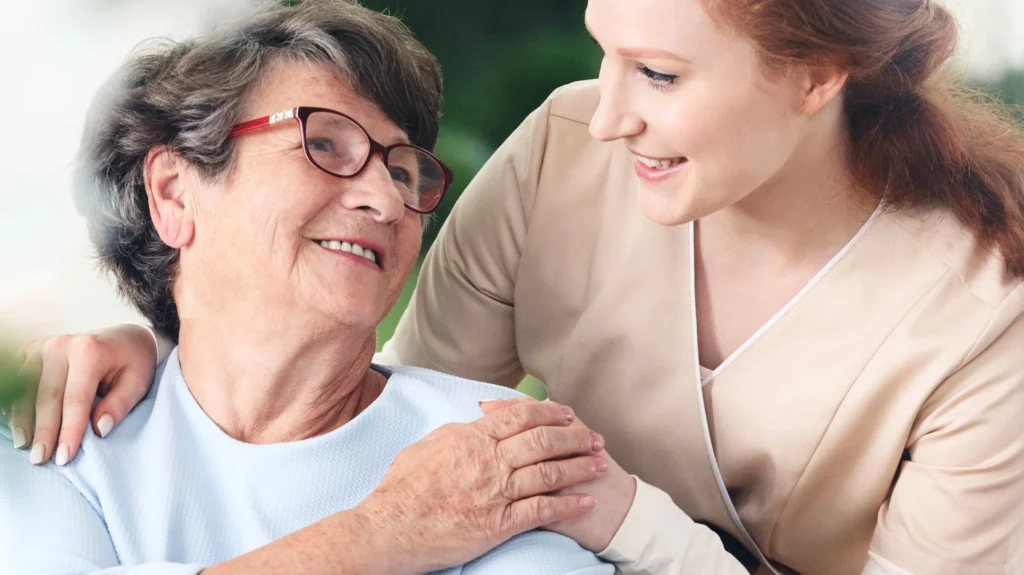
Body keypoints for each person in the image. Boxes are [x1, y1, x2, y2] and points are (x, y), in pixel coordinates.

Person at [9, 0, 1024, 573]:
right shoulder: (564, 153)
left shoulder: (981, 322)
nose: (607, 112)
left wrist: (618, 515)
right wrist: (173, 324)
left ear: (815, 78)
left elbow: (438, 493)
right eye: (603, 53)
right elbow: (374, 415)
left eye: (659, 74)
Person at [0, 2, 623, 574]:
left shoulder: (492, 450)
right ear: (174, 193)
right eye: (323, 143)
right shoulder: (60, 430)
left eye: (404, 171)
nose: (385, 200)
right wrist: (385, 532)